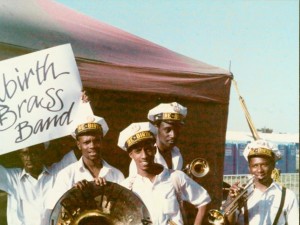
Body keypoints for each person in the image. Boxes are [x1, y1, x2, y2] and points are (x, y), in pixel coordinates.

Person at [118, 122, 211, 225]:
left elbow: (204, 200)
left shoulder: (175, 177)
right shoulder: (126, 187)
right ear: (131, 155)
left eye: (148, 149)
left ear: (154, 150)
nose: (144, 155)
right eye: (138, 151)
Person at [44, 116, 125, 223]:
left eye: (96, 141)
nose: (92, 146)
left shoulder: (116, 174)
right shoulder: (66, 174)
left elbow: (125, 211)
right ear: (79, 145)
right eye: (87, 142)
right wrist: (72, 194)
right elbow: (53, 212)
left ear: (102, 142)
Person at [0, 142, 77, 225]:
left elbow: (79, 152)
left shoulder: (57, 172)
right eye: (25, 153)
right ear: (20, 155)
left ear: (42, 152)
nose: (29, 158)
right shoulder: (12, 178)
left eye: (34, 152)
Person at [226, 139, 299, 225]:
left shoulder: (288, 195)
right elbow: (229, 223)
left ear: (273, 166)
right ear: (249, 168)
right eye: (255, 166)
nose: (259, 170)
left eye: (264, 165)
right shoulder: (240, 193)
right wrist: (231, 201)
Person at [129, 102, 187, 176]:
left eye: (176, 129)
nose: (173, 135)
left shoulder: (176, 153)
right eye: (167, 130)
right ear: (156, 128)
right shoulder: (143, 158)